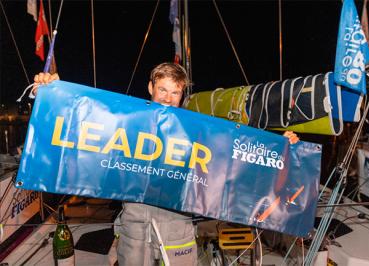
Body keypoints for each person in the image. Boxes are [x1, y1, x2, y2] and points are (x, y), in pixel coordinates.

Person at [33, 62, 299, 265]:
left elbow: (235, 153)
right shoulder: (127, 121)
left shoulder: (196, 131)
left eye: (175, 92)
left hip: (178, 228)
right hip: (134, 226)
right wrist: (49, 92)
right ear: (151, 88)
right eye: (163, 89)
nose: (168, 98)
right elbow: (81, 121)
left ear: (182, 95)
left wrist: (279, 147)